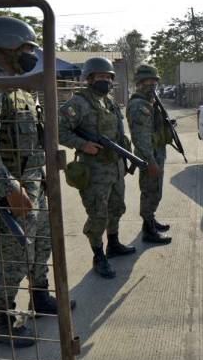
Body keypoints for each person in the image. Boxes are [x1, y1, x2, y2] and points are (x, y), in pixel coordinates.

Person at [0, 16, 75, 348]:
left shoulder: (19, 86)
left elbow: (32, 138)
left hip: (34, 181)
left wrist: (45, 172)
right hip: (10, 189)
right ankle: (2, 318)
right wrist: (8, 188)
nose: (32, 54)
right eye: (27, 47)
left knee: (43, 242)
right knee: (14, 250)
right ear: (8, 46)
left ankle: (39, 295)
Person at [58, 57, 136, 279]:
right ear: (89, 78)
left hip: (115, 166)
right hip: (94, 171)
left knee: (116, 208)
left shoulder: (109, 101)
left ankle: (113, 244)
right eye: (100, 76)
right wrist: (83, 145)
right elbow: (58, 130)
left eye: (108, 77)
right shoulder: (78, 104)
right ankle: (98, 255)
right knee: (97, 215)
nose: (105, 80)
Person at [126, 65, 172, 245]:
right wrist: (151, 161)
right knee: (150, 191)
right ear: (139, 83)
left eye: (154, 81)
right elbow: (141, 137)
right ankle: (148, 230)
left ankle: (151, 220)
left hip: (156, 153)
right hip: (149, 156)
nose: (152, 85)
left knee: (156, 191)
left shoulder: (150, 102)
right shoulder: (139, 105)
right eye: (148, 81)